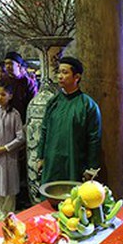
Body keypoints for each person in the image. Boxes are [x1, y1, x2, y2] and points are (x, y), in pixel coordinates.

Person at [37, 56, 102, 184]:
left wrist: (92, 168)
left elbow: (94, 139)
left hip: (74, 162)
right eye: (59, 72)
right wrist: (40, 157)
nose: (60, 76)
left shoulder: (88, 105)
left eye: (65, 72)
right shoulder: (53, 102)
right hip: (52, 162)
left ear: (76, 77)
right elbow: (44, 130)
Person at [0, 83, 25, 222]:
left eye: (3, 94)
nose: (0, 97)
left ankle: (8, 211)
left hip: (8, 155)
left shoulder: (14, 114)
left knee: (8, 183)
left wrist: (5, 148)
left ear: (10, 96)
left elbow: (20, 137)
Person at [2, 52, 38, 122]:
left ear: (18, 65)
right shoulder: (3, 82)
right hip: (6, 119)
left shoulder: (28, 82)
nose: (7, 66)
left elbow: (33, 102)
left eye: (10, 63)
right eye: (6, 64)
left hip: (22, 119)